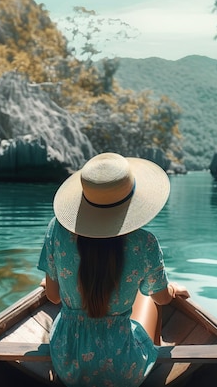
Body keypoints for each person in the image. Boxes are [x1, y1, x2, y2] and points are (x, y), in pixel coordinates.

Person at [38, 152, 189, 386]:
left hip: (68, 361)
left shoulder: (57, 230)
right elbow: (161, 299)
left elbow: (53, 296)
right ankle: (153, 366)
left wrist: (59, 279)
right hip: (122, 368)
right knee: (148, 297)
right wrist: (170, 290)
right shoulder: (144, 243)